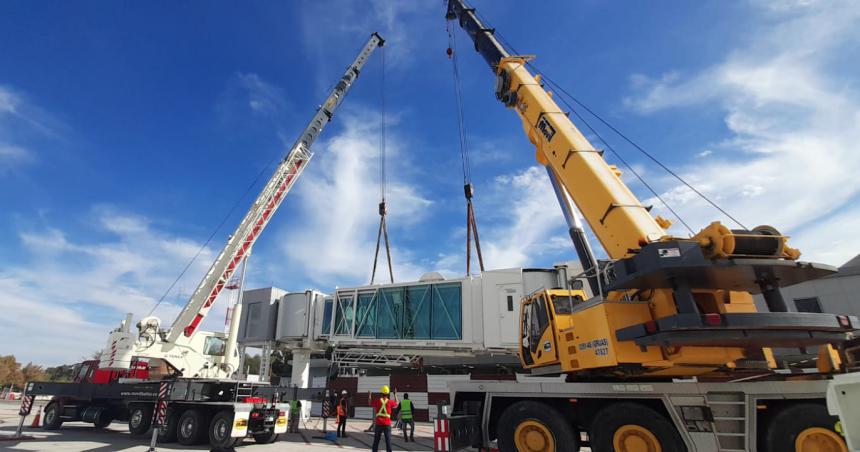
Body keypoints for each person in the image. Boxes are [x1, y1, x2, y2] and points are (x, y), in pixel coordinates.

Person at [371, 385, 397, 452]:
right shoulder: (390, 402)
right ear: (388, 394)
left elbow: (369, 403)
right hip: (387, 424)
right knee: (388, 441)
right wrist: (395, 394)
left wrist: (369, 395)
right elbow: (396, 403)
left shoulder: (377, 401)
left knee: (376, 440)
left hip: (379, 423)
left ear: (381, 393)